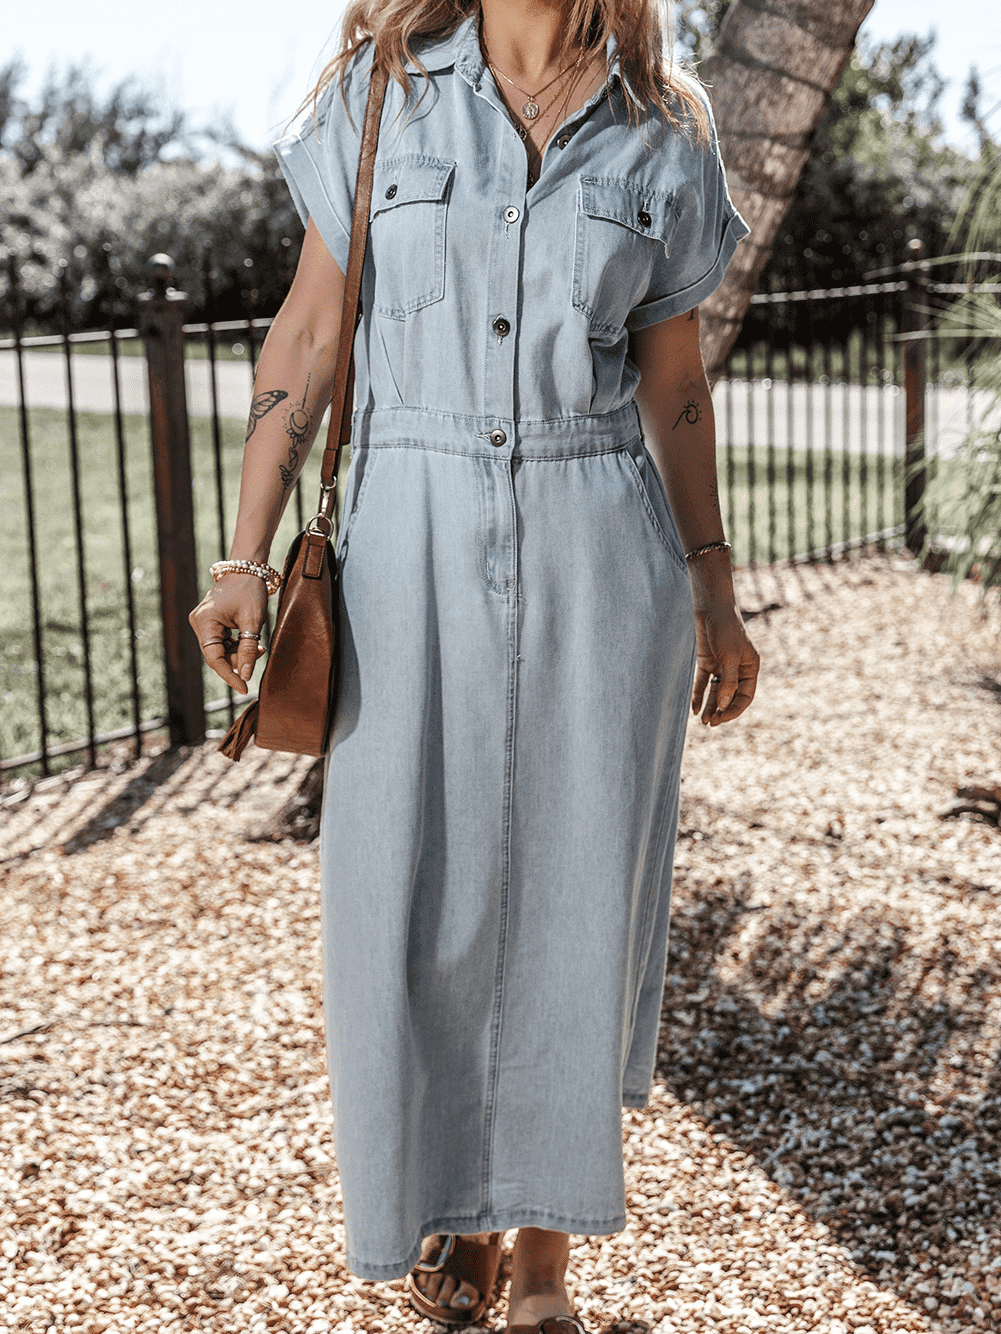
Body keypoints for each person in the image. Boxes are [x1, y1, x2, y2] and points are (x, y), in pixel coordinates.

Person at [188, 0, 760, 1329]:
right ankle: (448, 1195)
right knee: (406, 893)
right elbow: (309, 334)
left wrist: (716, 591)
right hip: (408, 547)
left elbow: (675, 383)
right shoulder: (380, 99)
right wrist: (242, 557)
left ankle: (544, 1255)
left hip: (598, 553)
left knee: (575, 896)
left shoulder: (662, 133)